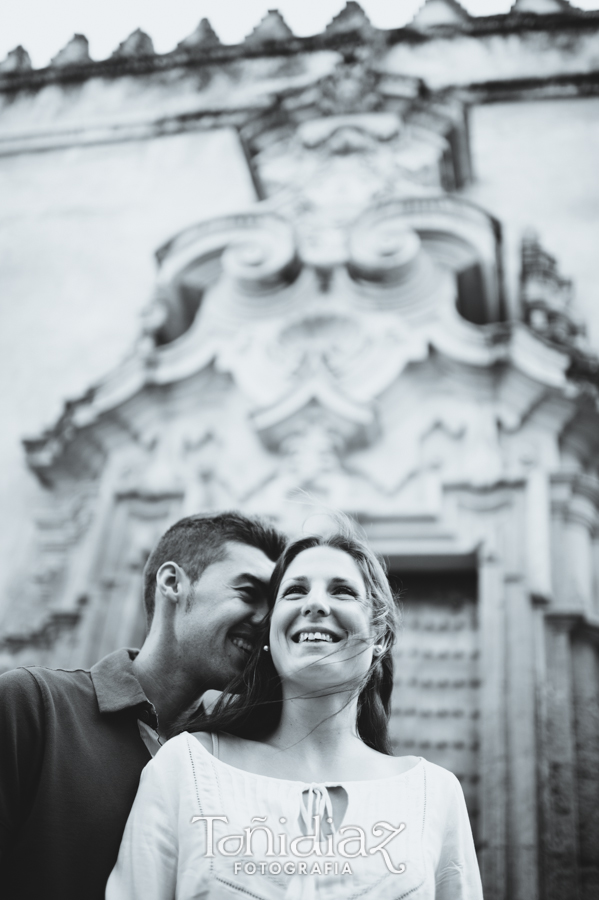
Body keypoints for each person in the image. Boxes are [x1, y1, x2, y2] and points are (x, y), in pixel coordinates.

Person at [106, 526, 484, 899]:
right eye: (295, 591)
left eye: (342, 591)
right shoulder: (187, 767)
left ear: (380, 635)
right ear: (270, 633)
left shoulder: (432, 794)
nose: (315, 604)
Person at [0, 511, 286, 900]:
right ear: (172, 583)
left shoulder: (232, 763)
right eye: (249, 593)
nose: (265, 621)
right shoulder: (32, 704)